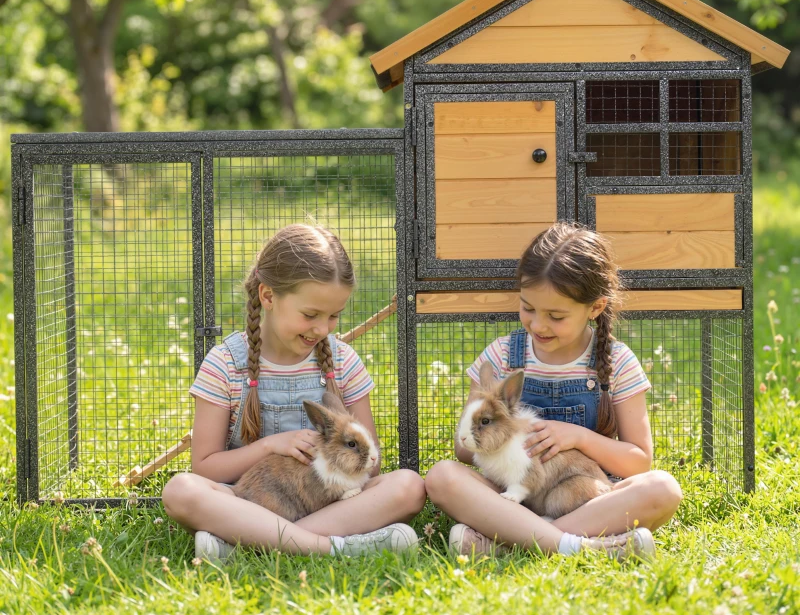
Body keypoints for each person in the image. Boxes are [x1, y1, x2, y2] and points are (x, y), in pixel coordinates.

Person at [162, 224, 425, 560]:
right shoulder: (225, 363)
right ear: (268, 296)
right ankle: (333, 547)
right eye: (310, 315)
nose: (322, 328)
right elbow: (205, 467)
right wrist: (271, 445)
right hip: (251, 501)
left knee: (408, 486)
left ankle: (245, 544)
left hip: (330, 500)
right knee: (182, 490)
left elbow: (369, 465)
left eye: (333, 316)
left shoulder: (344, 362)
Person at [425, 222, 683, 560]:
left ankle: (511, 543)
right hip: (508, 495)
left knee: (662, 488)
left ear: (595, 308)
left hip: (580, 496)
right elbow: (464, 449)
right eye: (528, 308)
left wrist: (577, 437)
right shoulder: (501, 356)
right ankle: (583, 546)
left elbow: (639, 462)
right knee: (442, 477)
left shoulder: (616, 361)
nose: (538, 325)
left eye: (556, 316)